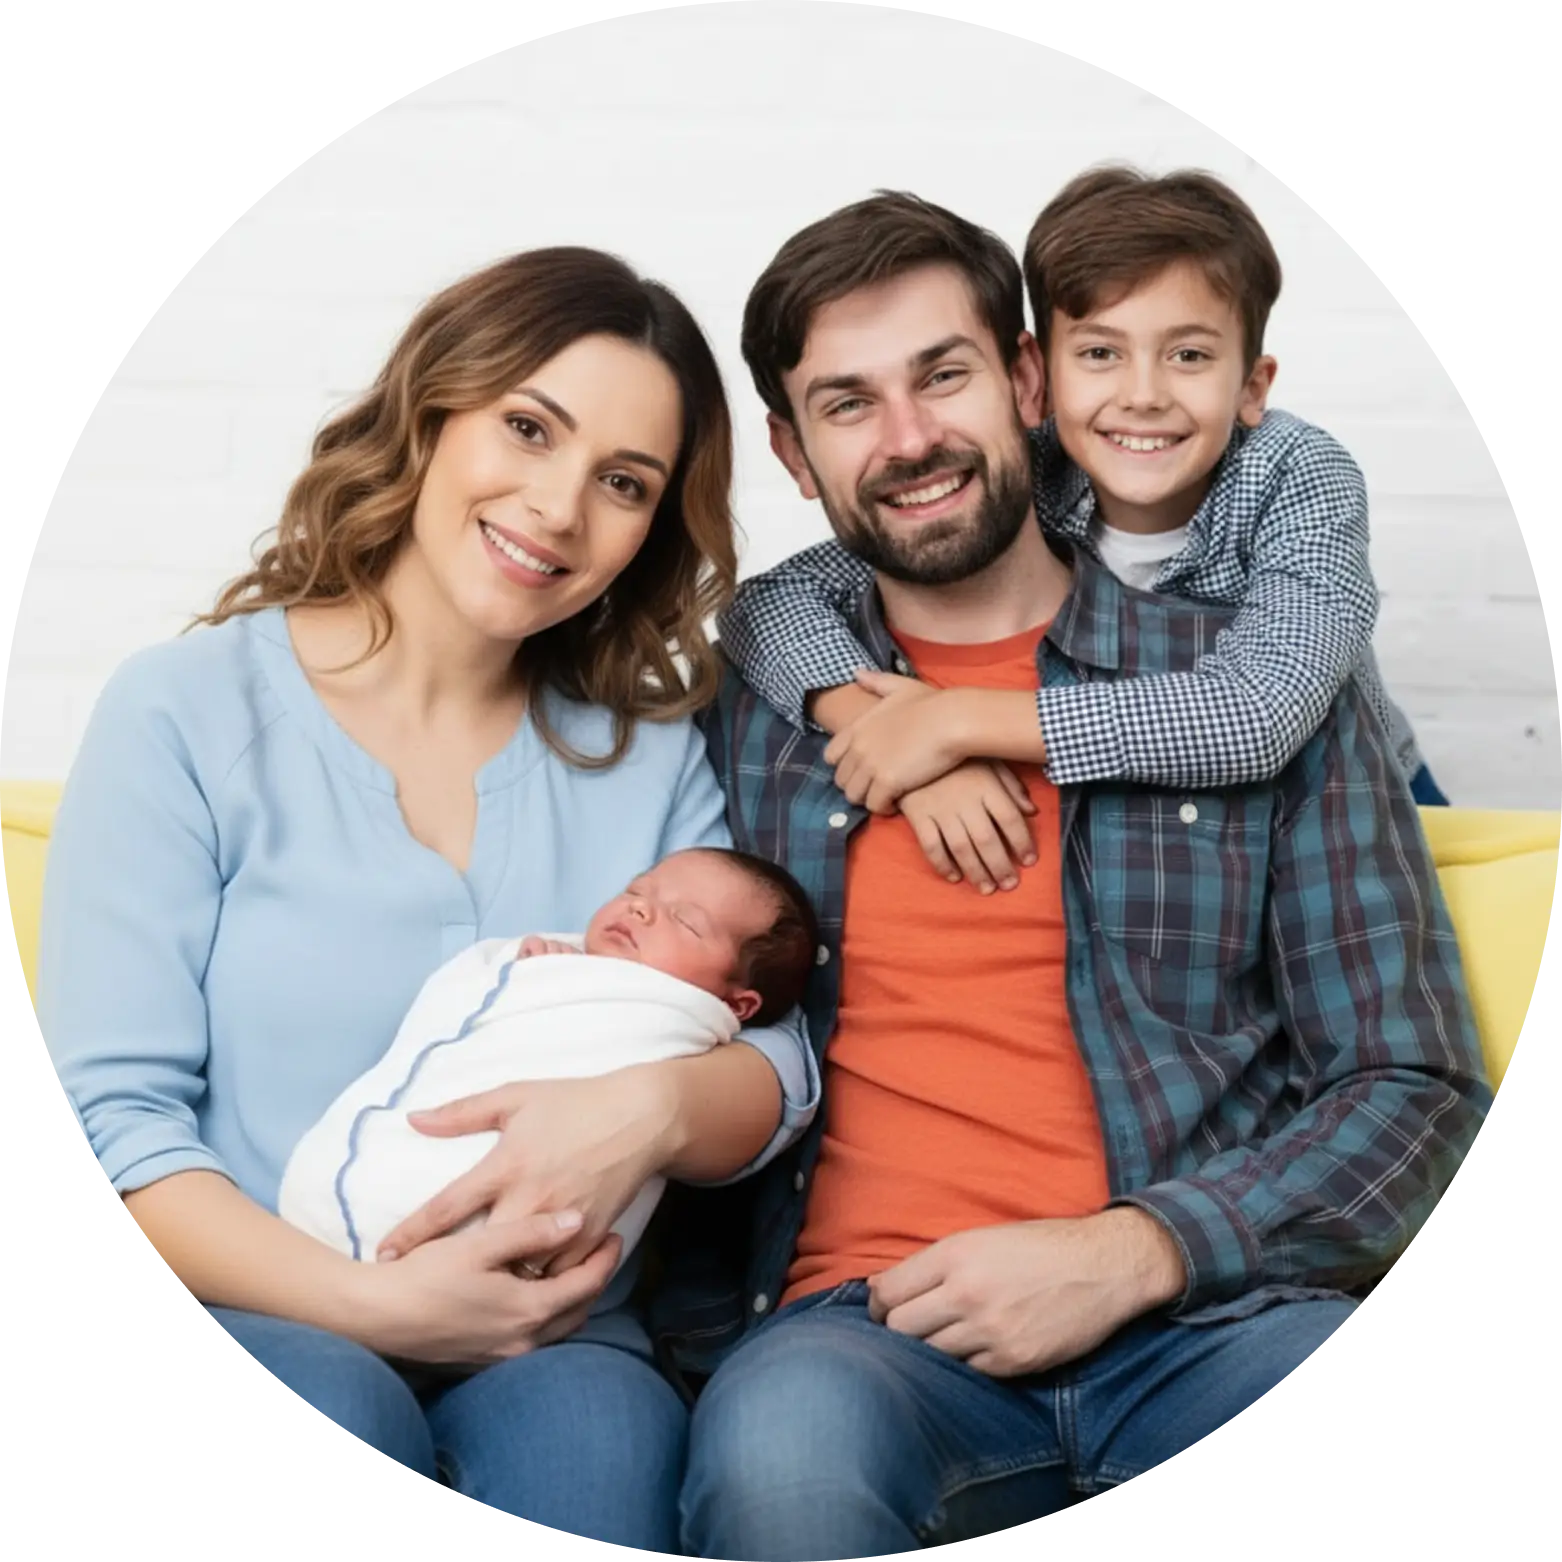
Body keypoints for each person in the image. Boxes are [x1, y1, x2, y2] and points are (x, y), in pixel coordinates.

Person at [649, 192, 1493, 1560]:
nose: (911, 437)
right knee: (779, 1465)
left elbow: (1414, 1088)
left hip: (1213, 1318)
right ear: (792, 455)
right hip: (859, 1338)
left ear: (1026, 383)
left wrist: (1138, 1249)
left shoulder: (1251, 682)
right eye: (848, 403)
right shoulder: (750, 711)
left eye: (943, 374)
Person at [36, 247, 819, 1553]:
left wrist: (649, 1106)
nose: (559, 508)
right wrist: (377, 1307)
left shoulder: (647, 759)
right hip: (261, 1304)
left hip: (558, 1333)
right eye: (527, 428)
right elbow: (115, 1124)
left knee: (601, 1441)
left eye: (622, 483)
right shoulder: (182, 713)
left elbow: (778, 1059)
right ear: (430, 409)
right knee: (331, 1397)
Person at [714, 167, 1448, 905]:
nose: (1142, 395)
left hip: (1371, 798)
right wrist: (879, 726)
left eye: (1188, 355)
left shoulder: (1298, 474)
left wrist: (955, 721)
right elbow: (766, 605)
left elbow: (1259, 716)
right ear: (1045, 379)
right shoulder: (1029, 465)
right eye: (1100, 354)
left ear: (1252, 386)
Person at [279, 846, 818, 1290]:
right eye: (637, 891)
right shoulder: (553, 961)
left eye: (684, 920)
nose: (640, 910)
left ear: (740, 1005)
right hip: (319, 1264)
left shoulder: (688, 1026)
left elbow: (780, 1068)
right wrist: (533, 974)